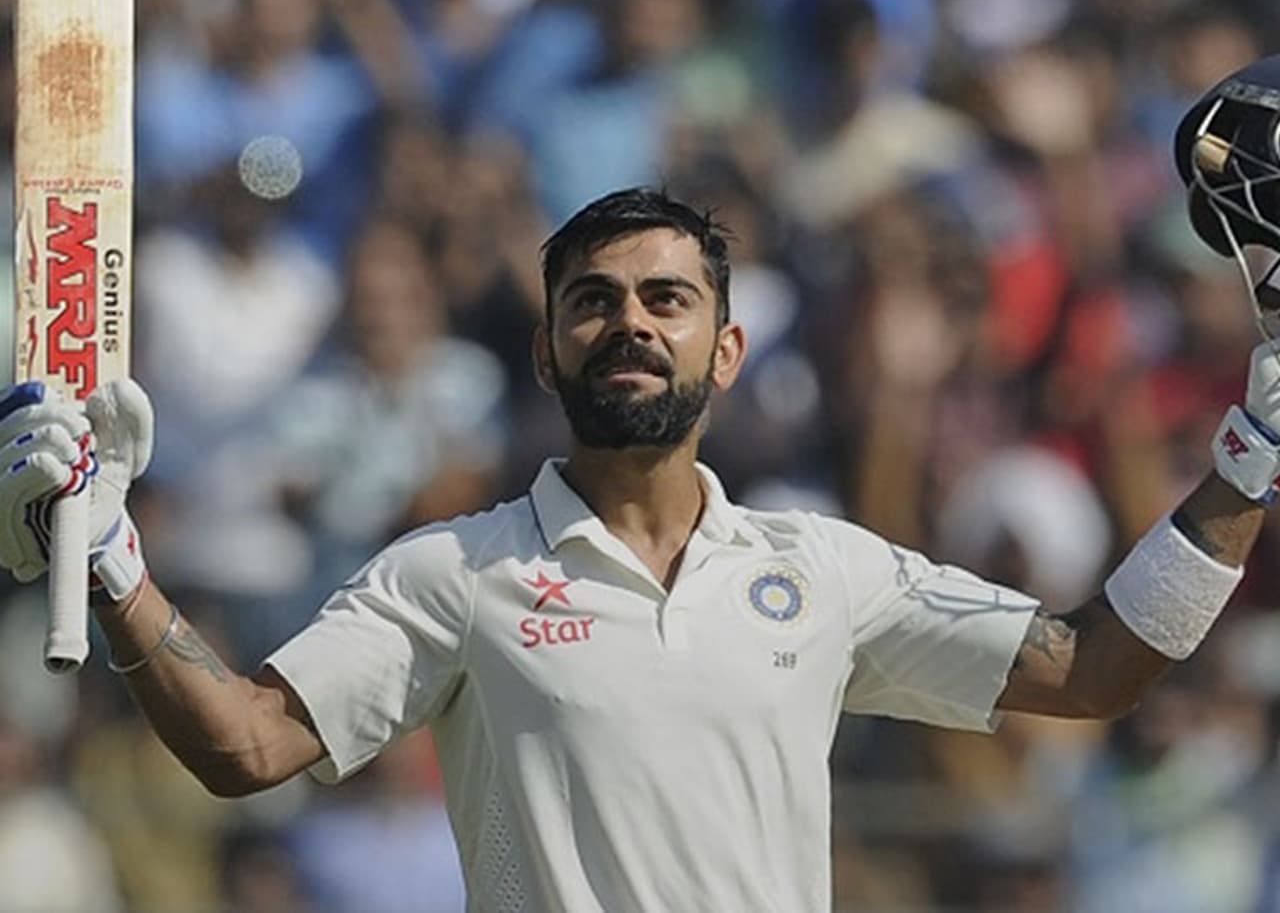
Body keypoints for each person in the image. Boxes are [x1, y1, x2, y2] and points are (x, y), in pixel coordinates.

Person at [0, 183, 1274, 912]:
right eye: (592, 302)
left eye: (667, 299)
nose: (630, 324)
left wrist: (1251, 452)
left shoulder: (823, 570)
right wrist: (108, 557)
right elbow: (244, 746)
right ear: (545, 350)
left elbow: (1095, 670)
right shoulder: (453, 574)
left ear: (726, 350)